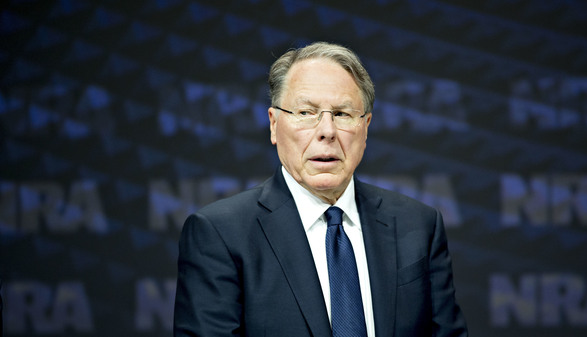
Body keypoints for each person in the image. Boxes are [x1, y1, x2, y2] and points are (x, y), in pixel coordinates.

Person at [174, 41, 468, 337]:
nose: (326, 131)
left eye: (342, 114)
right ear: (274, 125)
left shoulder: (418, 225)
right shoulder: (220, 235)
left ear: (365, 127)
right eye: (306, 112)